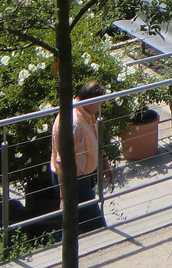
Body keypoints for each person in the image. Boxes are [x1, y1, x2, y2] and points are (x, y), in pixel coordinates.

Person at [50, 80, 114, 234]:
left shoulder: (86, 112)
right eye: (100, 102)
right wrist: (64, 198)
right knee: (93, 224)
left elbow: (94, 139)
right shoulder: (74, 124)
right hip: (71, 179)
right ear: (91, 102)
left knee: (83, 222)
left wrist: (104, 161)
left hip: (82, 177)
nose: (102, 105)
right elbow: (61, 164)